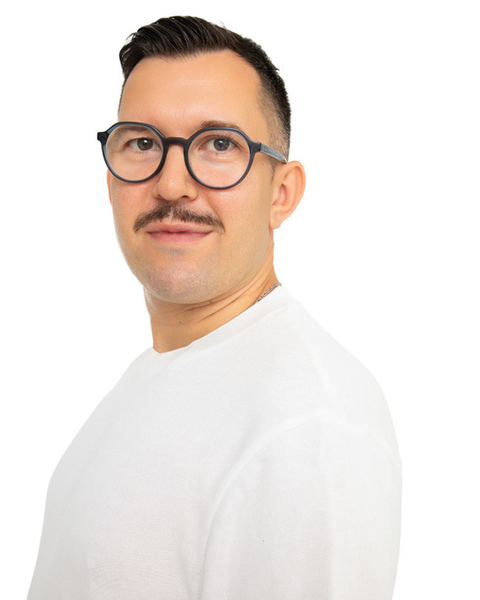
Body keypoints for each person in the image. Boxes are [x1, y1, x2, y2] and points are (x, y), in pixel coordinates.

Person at [28, 16, 401, 600]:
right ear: (110, 181)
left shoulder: (307, 426)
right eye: (142, 143)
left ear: (282, 193)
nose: (172, 184)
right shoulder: (157, 375)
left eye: (219, 144)